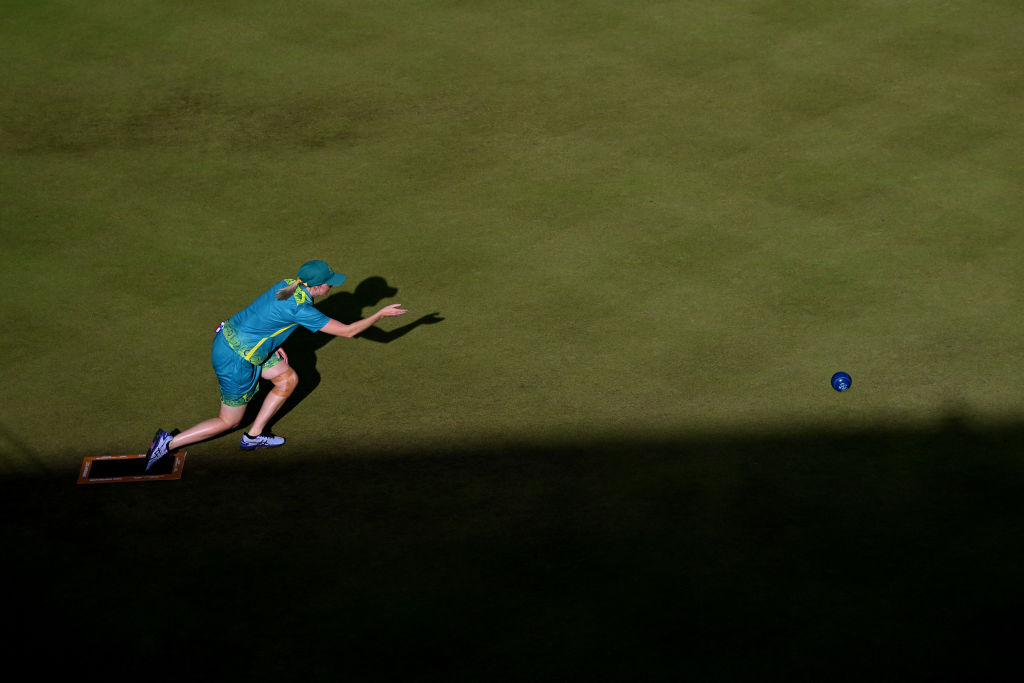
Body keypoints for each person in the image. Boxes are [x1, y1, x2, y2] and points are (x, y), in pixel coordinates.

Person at [144, 259, 407, 470]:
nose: (331, 287)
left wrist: (273, 341)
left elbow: (264, 314)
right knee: (229, 421)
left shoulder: (288, 283)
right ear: (315, 286)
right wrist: (380, 314)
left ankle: (254, 436)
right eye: (329, 284)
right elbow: (348, 331)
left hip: (236, 339)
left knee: (287, 379)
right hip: (238, 360)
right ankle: (167, 444)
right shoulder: (302, 309)